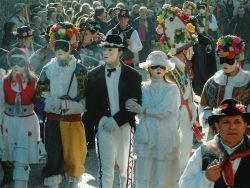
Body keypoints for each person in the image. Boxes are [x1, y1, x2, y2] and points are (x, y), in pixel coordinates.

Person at [85, 34, 142, 188]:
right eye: (105, 49)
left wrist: (117, 120)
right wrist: (102, 120)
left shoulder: (133, 75)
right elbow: (90, 105)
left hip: (125, 127)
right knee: (105, 169)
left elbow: (135, 104)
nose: (106, 53)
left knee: (126, 170)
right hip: (104, 127)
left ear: (120, 52)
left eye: (110, 49)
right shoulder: (93, 75)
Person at [35, 22, 87, 188]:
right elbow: (40, 94)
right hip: (53, 118)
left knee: (73, 155)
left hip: (73, 119)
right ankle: (54, 179)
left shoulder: (80, 70)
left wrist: (69, 105)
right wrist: (53, 103)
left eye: (64, 49)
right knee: (53, 152)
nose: (60, 53)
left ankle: (72, 179)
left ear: (70, 48)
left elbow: (84, 97)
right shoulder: (47, 69)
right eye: (57, 49)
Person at [126, 51, 181, 188]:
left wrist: (143, 110)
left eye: (162, 67)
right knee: (144, 174)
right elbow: (134, 110)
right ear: (148, 68)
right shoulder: (142, 88)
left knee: (164, 174)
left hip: (165, 135)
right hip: (146, 134)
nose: (158, 69)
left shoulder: (172, 88)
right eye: (155, 66)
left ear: (167, 68)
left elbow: (166, 112)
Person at [156, 4, 198, 173]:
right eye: (190, 49)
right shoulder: (170, 68)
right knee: (174, 160)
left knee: (184, 158)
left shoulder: (185, 66)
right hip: (174, 121)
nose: (192, 51)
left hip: (186, 119)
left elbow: (189, 93)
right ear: (183, 50)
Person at [179, 98, 250, 188]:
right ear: (217, 126)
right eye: (226, 122)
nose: (232, 127)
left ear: (244, 126)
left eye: (237, 121)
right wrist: (205, 178)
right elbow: (184, 184)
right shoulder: (205, 151)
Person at [0, 48, 43, 188]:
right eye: (13, 62)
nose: (16, 65)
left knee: (21, 160)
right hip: (9, 123)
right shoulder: (4, 81)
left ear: (26, 63)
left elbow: (42, 103)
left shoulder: (34, 81)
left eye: (20, 61)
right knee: (15, 159)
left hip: (27, 123)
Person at [199, 35, 250, 140]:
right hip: (218, 133)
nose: (225, 63)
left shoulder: (248, 81)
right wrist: (206, 115)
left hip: (243, 133)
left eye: (229, 59)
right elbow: (203, 106)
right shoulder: (213, 82)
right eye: (222, 60)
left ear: (238, 59)